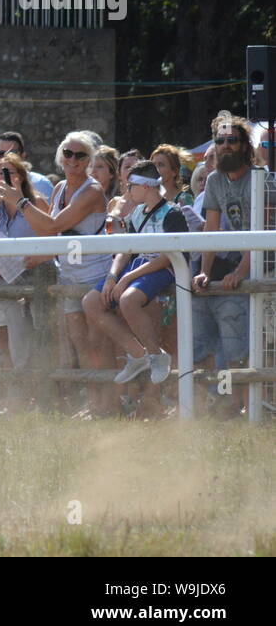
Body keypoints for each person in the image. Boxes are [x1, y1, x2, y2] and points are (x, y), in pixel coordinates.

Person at [14, 130, 117, 415]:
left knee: (99, 342)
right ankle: (95, 404)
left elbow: (52, 225)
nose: (73, 159)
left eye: (80, 155)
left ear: (89, 159)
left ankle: (110, 403)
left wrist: (20, 202)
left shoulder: (93, 191)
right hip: (70, 276)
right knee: (80, 343)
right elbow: (52, 232)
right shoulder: (58, 190)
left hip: (95, 275)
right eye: (68, 153)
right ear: (61, 156)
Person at [81, 160, 184, 391]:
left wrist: (126, 278)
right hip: (136, 266)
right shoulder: (137, 212)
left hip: (160, 267)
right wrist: (112, 276)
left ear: (146, 186)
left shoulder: (172, 213)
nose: (127, 191)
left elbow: (169, 256)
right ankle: (138, 355)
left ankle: (157, 356)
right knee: (91, 302)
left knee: (128, 300)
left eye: (131, 186)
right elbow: (126, 250)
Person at [191, 112, 264, 417]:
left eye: (231, 140)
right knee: (200, 321)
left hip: (261, 261)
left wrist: (239, 272)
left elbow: (258, 234)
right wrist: (204, 271)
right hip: (231, 260)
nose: (224, 146)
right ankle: (207, 403)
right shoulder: (214, 180)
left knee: (236, 330)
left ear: (245, 145)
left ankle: (243, 406)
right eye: (219, 141)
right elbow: (211, 231)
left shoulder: (260, 178)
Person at [0, 152, 50, 407]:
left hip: (40, 278)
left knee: (43, 333)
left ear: (22, 177)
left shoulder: (35, 202)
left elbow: (52, 236)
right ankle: (22, 396)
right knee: (17, 337)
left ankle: (48, 395)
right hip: (11, 280)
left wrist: (36, 258)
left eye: (11, 173)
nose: (5, 179)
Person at [0, 131, 54, 200]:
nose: (6, 157)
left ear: (23, 156)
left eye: (12, 153)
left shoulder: (41, 184)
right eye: (0, 153)